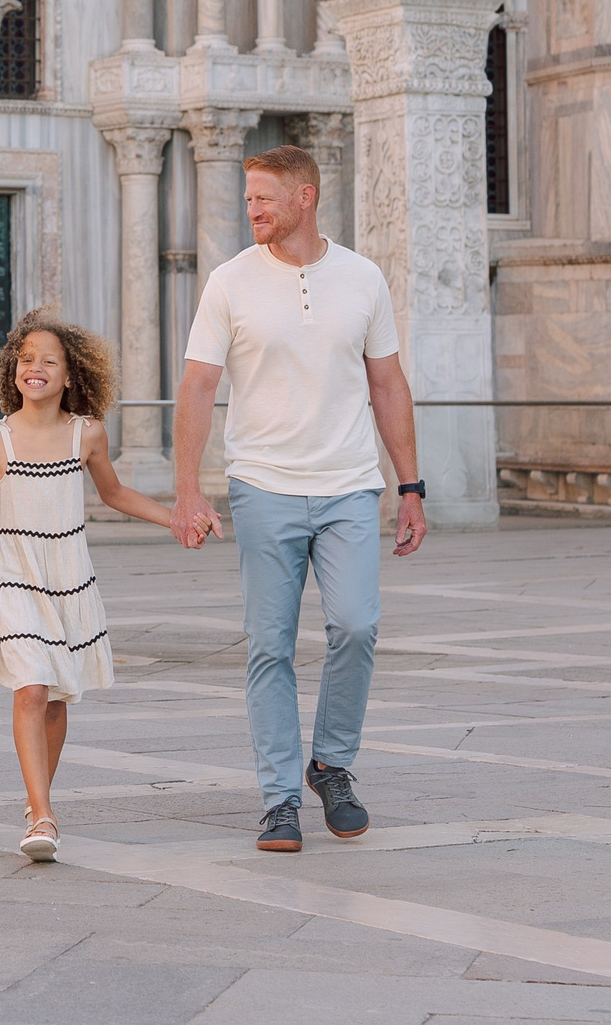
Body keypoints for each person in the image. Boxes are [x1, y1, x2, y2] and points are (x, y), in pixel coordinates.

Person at [170, 146, 426, 855]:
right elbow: (197, 385)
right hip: (263, 485)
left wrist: (411, 485)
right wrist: (189, 488)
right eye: (248, 198)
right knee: (269, 647)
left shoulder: (362, 278)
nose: (251, 209)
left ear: (305, 196)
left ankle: (330, 763)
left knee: (356, 625)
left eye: (264, 198)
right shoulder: (229, 282)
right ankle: (280, 798)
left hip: (348, 484)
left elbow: (388, 384)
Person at [0, 312, 173, 863]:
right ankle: (42, 814)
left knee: (56, 698)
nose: (35, 368)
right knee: (31, 687)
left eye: (48, 361)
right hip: (12, 572)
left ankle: (40, 802)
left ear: (69, 376)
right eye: (26, 358)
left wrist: (174, 519)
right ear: (13, 370)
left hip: (68, 577)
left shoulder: (87, 434)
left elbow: (117, 494)